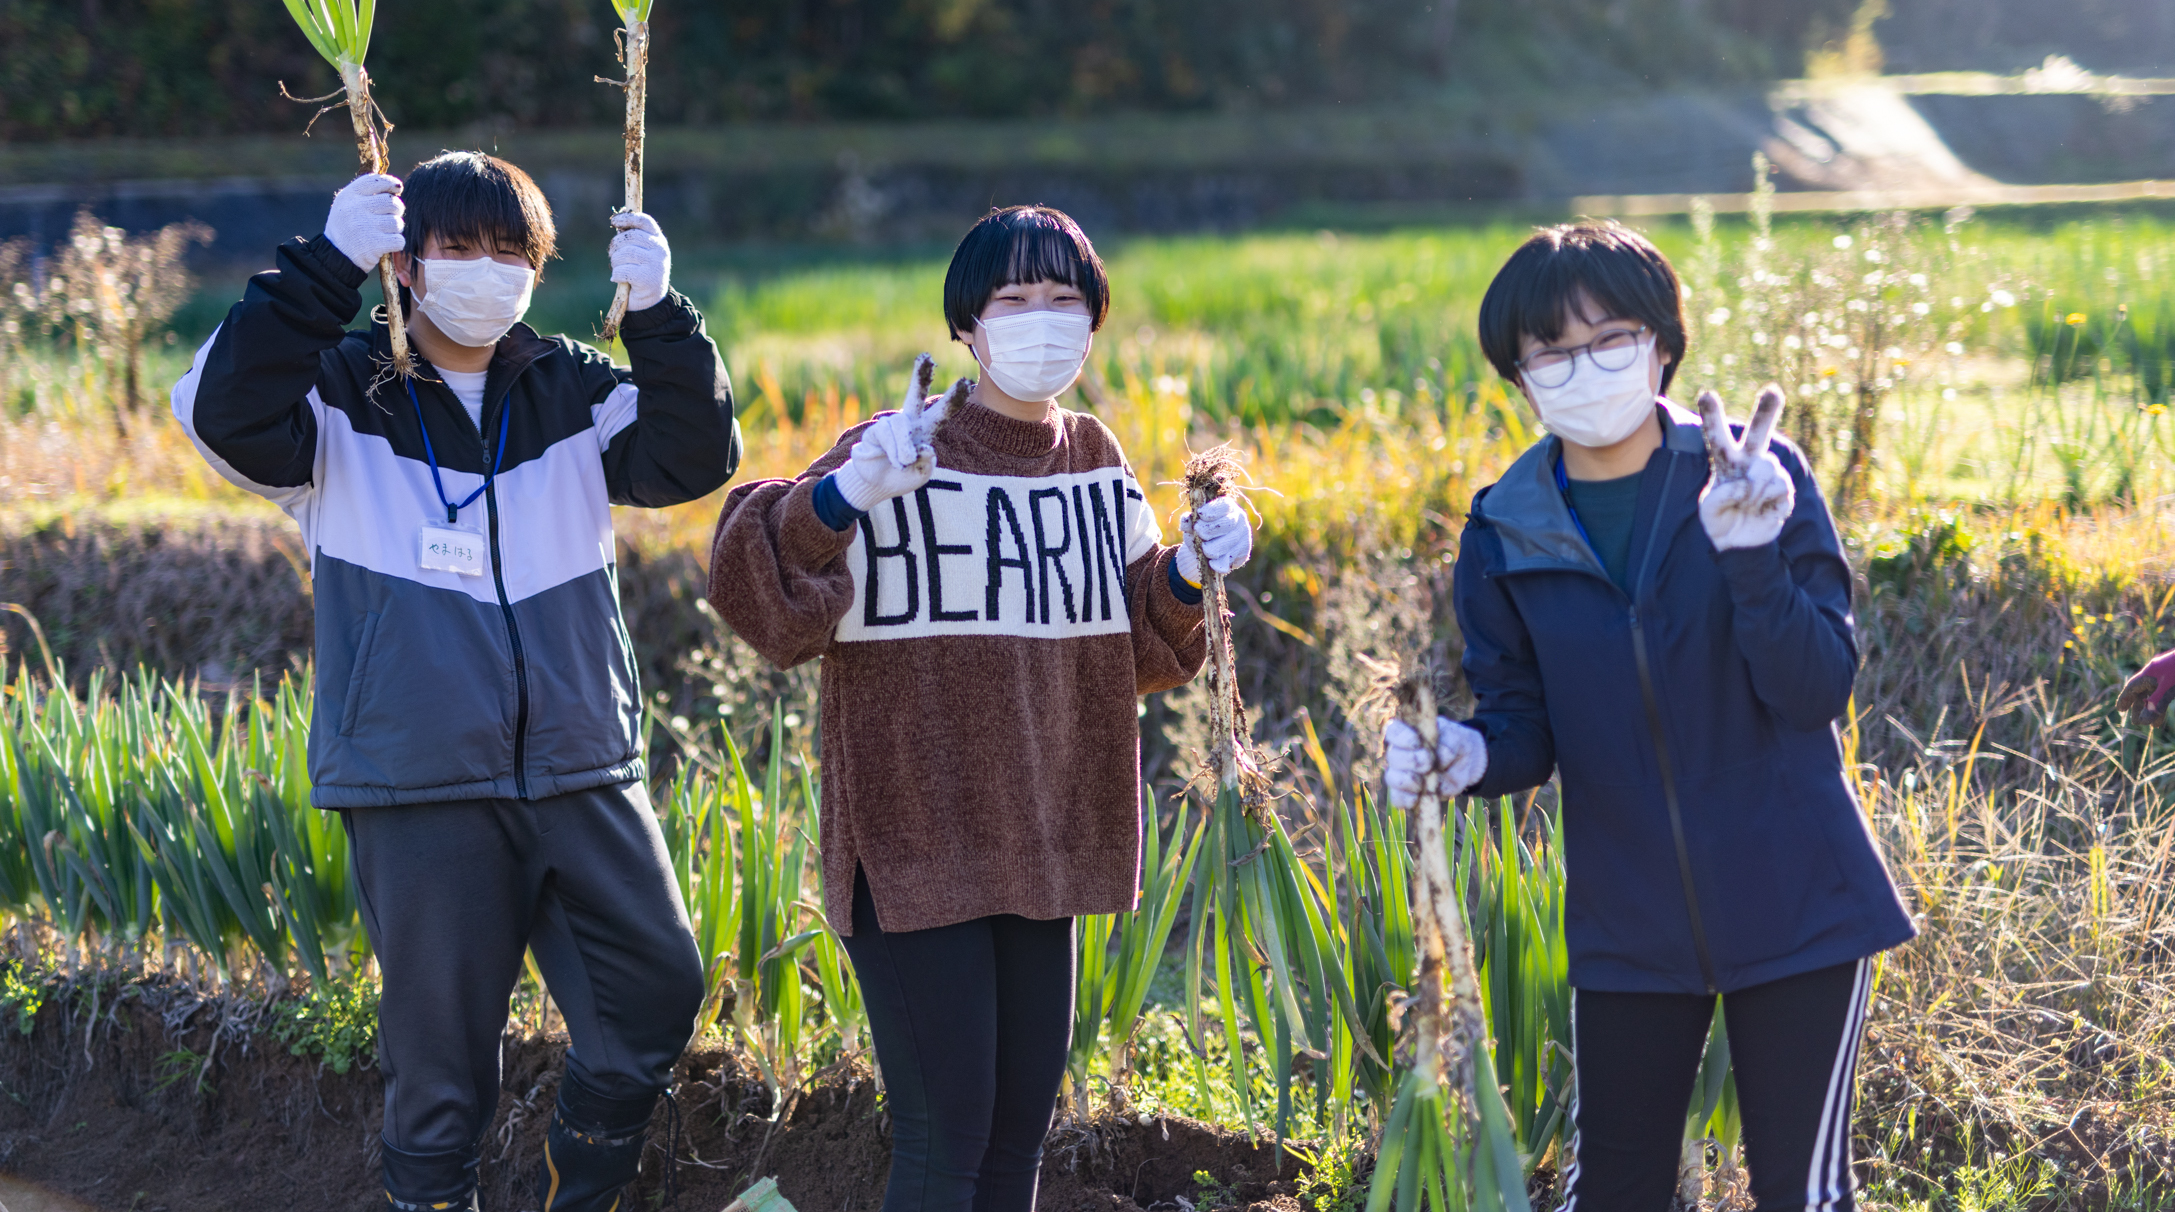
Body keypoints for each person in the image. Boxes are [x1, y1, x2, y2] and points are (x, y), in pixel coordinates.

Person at [172, 153, 741, 1212]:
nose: (485, 271)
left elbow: (692, 454)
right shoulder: (338, 397)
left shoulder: (568, 385)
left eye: (509, 251)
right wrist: (320, 268)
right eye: (457, 248)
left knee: (655, 992)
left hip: (578, 763)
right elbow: (220, 410)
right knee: (441, 1072)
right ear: (404, 261)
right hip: (420, 779)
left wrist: (660, 314)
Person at [705, 205, 1251, 1212]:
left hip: (1044, 842)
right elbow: (759, 595)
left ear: (1092, 322)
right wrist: (843, 495)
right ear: (967, 323)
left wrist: (1183, 572)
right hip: (914, 841)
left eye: (1062, 298)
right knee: (943, 1143)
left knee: (1011, 1143)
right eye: (1013, 298)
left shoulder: (1094, 458)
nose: (1038, 318)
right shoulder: (900, 446)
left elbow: (1129, 649)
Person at [1383, 221, 1913, 1212]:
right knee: (1614, 1190)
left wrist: (1749, 559)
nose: (1581, 366)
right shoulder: (1504, 523)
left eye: (1608, 338)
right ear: (1518, 374)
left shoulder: (1751, 475)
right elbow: (1522, 727)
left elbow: (1814, 690)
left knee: (1799, 1194)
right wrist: (1458, 754)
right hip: (1627, 919)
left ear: (1661, 343)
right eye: (1550, 351)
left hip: (1795, 895)